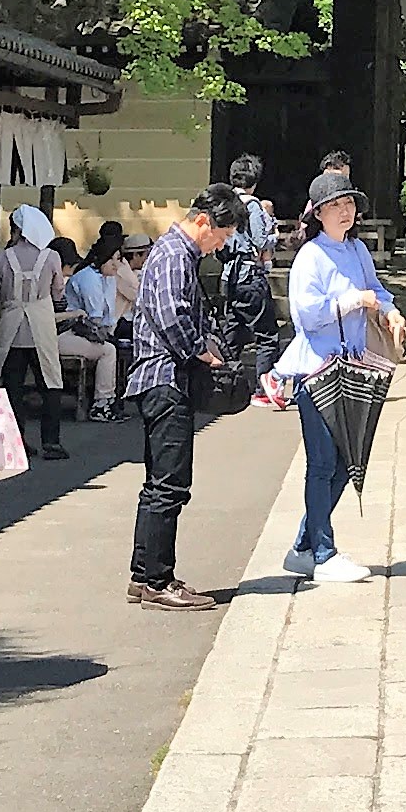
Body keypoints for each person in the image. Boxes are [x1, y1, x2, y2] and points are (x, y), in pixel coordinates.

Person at [277, 170, 403, 585]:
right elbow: (307, 314)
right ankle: (323, 551)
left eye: (349, 204)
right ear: (319, 214)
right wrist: (353, 301)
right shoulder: (310, 257)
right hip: (317, 368)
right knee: (323, 461)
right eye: (336, 205)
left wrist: (390, 310)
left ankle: (304, 546)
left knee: (349, 460)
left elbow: (377, 290)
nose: (346, 211)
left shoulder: (357, 250)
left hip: (354, 365)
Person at [124, 186, 247, 610]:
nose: (221, 245)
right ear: (203, 222)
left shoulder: (172, 254)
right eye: (222, 235)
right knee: (170, 484)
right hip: (165, 379)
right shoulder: (176, 255)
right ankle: (158, 581)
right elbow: (173, 314)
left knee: (157, 483)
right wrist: (203, 352)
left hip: (156, 379)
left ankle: (144, 575)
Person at [0, 204, 78, 462]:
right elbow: (58, 290)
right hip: (41, 324)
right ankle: (51, 442)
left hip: (12, 326)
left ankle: (16, 441)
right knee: (50, 383)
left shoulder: (4, 257)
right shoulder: (51, 257)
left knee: (11, 385)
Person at [57, 239, 123, 417]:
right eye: (115, 259)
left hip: (84, 332)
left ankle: (109, 400)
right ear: (103, 259)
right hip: (65, 332)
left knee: (112, 347)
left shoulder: (108, 278)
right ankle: (101, 404)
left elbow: (108, 317)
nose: (118, 265)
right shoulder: (89, 278)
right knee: (108, 351)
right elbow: (95, 316)